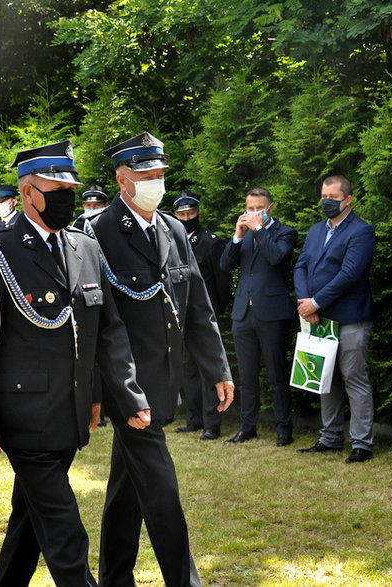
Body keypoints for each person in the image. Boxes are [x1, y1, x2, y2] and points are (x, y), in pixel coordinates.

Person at [0, 140, 150, 586]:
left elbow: (105, 331)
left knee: (30, 519)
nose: (67, 195)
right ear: (28, 193)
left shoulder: (83, 245)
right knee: (64, 530)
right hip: (24, 415)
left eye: (71, 187)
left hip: (71, 411)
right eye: (56, 187)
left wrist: (103, 395)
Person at [89, 131, 234, 586]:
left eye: (160, 174)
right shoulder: (97, 231)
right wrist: (109, 391)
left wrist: (218, 369)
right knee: (161, 487)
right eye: (147, 175)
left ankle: (114, 577)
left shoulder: (172, 229)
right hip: (127, 387)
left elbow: (197, 307)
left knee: (126, 487)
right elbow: (97, 325)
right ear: (122, 179)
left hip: (164, 378)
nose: (156, 182)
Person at [295, 175, 377, 463]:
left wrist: (316, 302)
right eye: (323, 196)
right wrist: (306, 302)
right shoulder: (316, 230)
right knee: (324, 381)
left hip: (351, 319)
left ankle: (361, 444)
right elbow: (301, 265)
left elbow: (349, 274)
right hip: (318, 319)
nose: (326, 202)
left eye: (333, 197)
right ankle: (329, 438)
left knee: (354, 379)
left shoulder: (361, 231)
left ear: (348, 199)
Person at [220, 186, 297, 446]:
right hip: (243, 312)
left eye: (258, 209)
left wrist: (259, 229)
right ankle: (247, 427)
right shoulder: (246, 235)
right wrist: (237, 236)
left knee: (276, 375)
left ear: (270, 208)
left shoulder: (284, 232)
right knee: (247, 376)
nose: (253, 213)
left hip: (272, 313)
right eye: (249, 208)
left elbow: (277, 258)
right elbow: (225, 266)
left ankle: (284, 429)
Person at [173, 190, 232, 440]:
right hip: (179, 316)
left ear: (199, 213)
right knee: (187, 370)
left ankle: (212, 424)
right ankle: (194, 419)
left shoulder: (211, 242)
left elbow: (222, 283)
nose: (187, 218)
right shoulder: (171, 241)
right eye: (182, 214)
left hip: (204, 316)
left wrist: (214, 313)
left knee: (209, 369)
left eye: (191, 213)